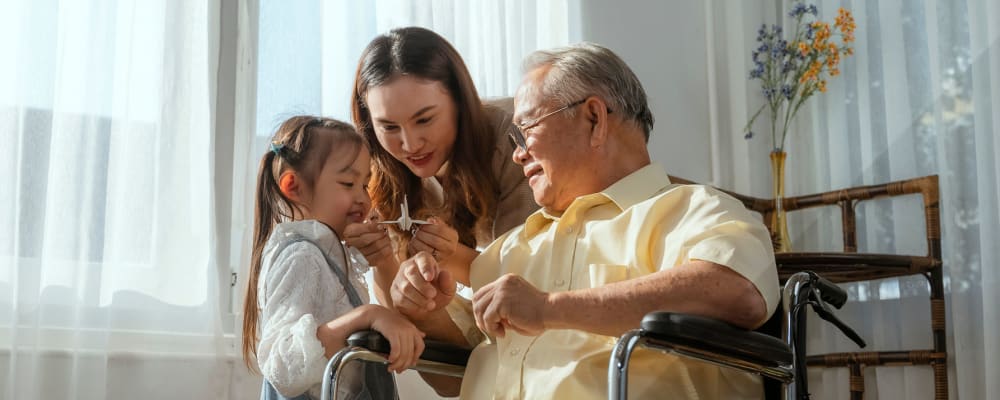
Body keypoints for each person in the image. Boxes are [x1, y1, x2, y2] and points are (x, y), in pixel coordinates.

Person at [389, 43, 781, 399]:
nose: (517, 155)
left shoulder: (694, 209)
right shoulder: (514, 246)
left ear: (594, 118)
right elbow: (451, 377)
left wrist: (548, 308)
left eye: (526, 131)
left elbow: (737, 291)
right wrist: (423, 305)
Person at [344, 27, 537, 304]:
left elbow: (527, 280)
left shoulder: (514, 139)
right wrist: (383, 259)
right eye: (388, 127)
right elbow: (399, 308)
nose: (410, 145)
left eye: (424, 120)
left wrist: (452, 256)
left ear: (460, 101)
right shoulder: (378, 166)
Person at [241, 116, 425, 399]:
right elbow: (282, 364)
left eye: (365, 185)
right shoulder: (301, 257)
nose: (364, 199)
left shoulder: (328, 258)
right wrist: (367, 315)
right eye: (348, 183)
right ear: (293, 187)